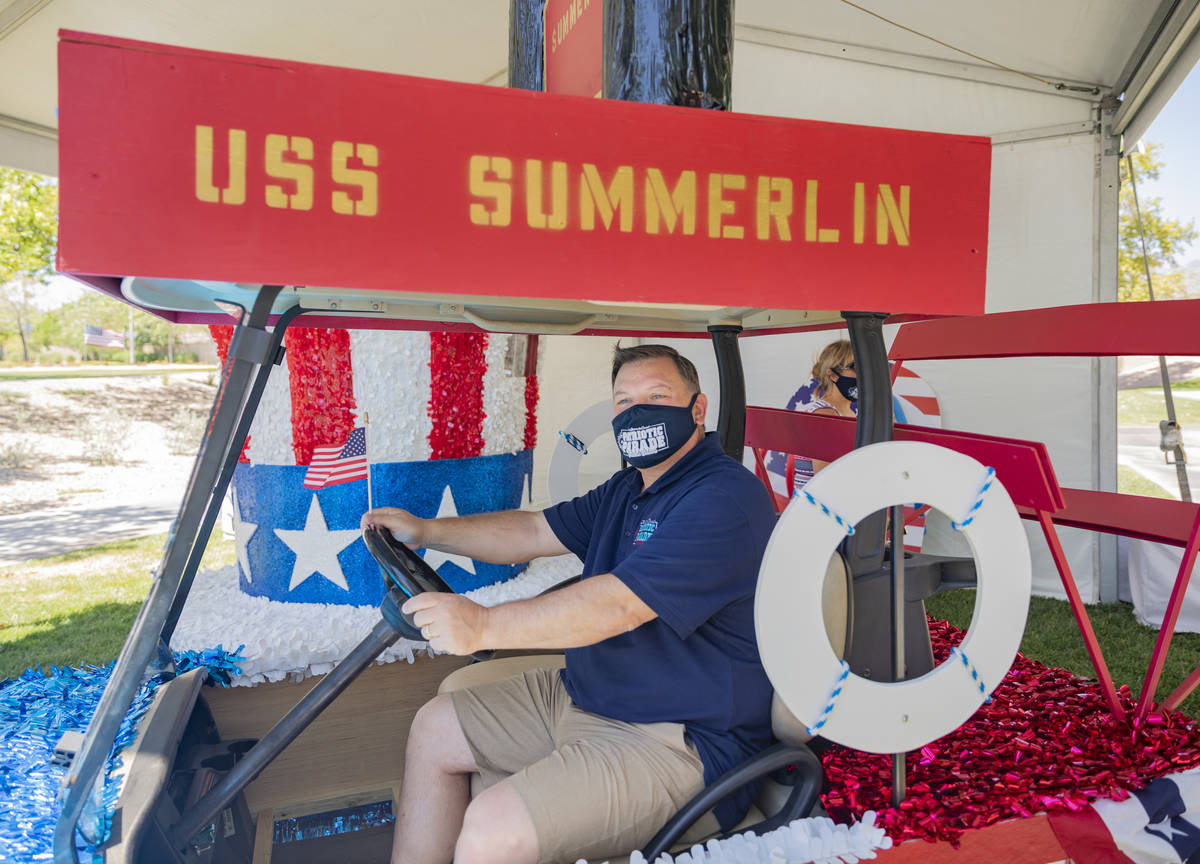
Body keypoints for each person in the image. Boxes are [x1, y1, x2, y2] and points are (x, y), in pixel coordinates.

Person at [363, 344, 777, 864]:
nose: (638, 411)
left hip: (679, 739)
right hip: (587, 694)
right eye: (625, 401)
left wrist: (483, 625)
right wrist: (428, 532)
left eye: (656, 395)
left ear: (697, 409)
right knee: (434, 728)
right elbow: (535, 530)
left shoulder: (722, 498)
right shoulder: (631, 486)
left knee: (492, 829)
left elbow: (619, 606)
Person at [791, 339, 858, 490]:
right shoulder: (825, 415)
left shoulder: (845, 413)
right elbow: (825, 480)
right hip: (818, 509)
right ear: (833, 375)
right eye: (855, 367)